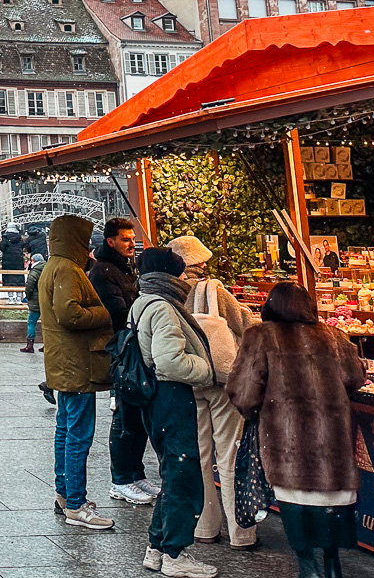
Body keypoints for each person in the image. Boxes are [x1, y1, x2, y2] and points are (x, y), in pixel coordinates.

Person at [228, 282, 364, 578]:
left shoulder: (261, 336)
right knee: (330, 513)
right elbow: (355, 377)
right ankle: (331, 564)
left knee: (297, 511)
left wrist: (255, 412)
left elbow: (244, 391)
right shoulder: (334, 336)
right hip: (333, 447)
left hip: (287, 446)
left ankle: (308, 567)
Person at [132, 247, 217, 578]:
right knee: (183, 475)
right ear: (169, 276)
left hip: (152, 399)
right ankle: (175, 553)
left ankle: (157, 547)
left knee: (171, 471)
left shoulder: (142, 302)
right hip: (170, 396)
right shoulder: (164, 308)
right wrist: (205, 368)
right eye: (181, 273)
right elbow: (168, 362)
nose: (186, 279)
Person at [169, 235, 258, 551]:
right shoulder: (214, 290)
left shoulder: (170, 294)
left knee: (201, 456)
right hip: (221, 383)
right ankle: (240, 532)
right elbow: (246, 323)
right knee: (229, 456)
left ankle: (205, 527)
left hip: (189, 382)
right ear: (201, 262)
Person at [38, 214, 115, 531]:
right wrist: (103, 312)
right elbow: (69, 313)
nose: (87, 247)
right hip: (78, 365)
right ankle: (76, 504)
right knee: (79, 436)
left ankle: (64, 494)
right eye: (84, 241)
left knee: (65, 431)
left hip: (64, 363)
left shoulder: (52, 266)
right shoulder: (68, 269)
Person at [89, 217, 157, 508]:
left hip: (132, 348)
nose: (132, 243)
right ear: (111, 242)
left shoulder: (124, 267)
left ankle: (135, 473)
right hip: (123, 351)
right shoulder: (104, 272)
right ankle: (121, 479)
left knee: (137, 415)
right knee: (125, 418)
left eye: (132, 238)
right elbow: (118, 312)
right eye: (126, 239)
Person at [21, 253, 45, 352]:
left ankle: (30, 345)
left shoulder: (34, 271)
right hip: (46, 301)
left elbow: (29, 287)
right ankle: (47, 345)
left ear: (33, 261)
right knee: (46, 324)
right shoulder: (47, 269)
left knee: (31, 323)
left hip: (35, 301)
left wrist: (28, 297)